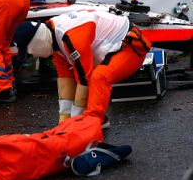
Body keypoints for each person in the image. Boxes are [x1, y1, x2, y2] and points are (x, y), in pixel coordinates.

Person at [13, 10, 151, 124]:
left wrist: (75, 122)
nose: (31, 55)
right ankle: (91, 120)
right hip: (112, 46)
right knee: (82, 74)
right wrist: (64, 118)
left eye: (29, 51)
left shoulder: (70, 37)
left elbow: (84, 79)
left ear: (38, 42)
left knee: (98, 77)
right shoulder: (53, 36)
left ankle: (93, 123)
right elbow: (65, 78)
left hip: (130, 46)